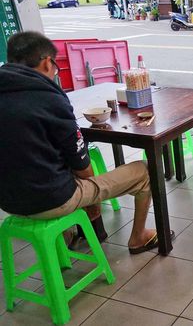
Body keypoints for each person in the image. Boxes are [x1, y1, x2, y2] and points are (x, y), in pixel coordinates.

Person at [0, 32, 161, 254]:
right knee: (144, 171)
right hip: (51, 199)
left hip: (8, 202)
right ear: (47, 62)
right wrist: (92, 203)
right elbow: (82, 166)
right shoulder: (48, 98)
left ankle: (66, 237)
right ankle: (138, 237)